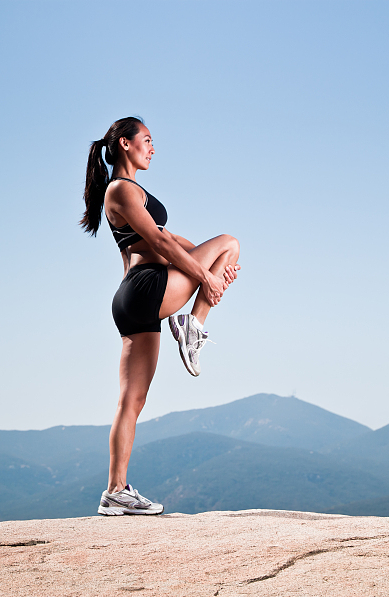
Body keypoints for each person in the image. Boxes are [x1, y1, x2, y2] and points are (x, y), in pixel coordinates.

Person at [81, 116, 240, 516]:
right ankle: (193, 325)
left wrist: (214, 272)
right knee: (230, 243)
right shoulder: (120, 189)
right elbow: (157, 240)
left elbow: (173, 239)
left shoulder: (130, 192)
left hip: (135, 298)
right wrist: (207, 274)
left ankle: (115, 491)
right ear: (125, 144)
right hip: (146, 286)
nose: (152, 148)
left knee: (132, 400)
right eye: (147, 140)